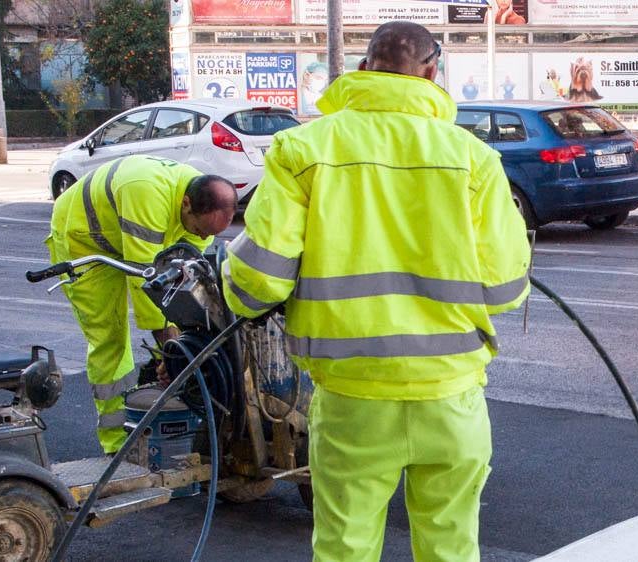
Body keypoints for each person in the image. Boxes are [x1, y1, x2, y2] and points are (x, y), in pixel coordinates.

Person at [221, 21, 530, 561]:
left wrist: (235, 287)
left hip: (352, 399)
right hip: (451, 397)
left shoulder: (303, 149)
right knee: (452, 545)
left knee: (345, 546)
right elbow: (505, 287)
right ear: (433, 73)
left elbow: (258, 280)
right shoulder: (473, 158)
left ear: (363, 70)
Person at [47, 155, 236, 453]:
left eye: (209, 234)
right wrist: (173, 353)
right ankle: (116, 442)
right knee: (110, 338)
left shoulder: (200, 199)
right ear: (186, 204)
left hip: (130, 232)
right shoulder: (145, 194)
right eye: (201, 230)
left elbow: (187, 285)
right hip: (84, 241)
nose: (203, 237)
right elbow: (149, 285)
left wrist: (188, 343)